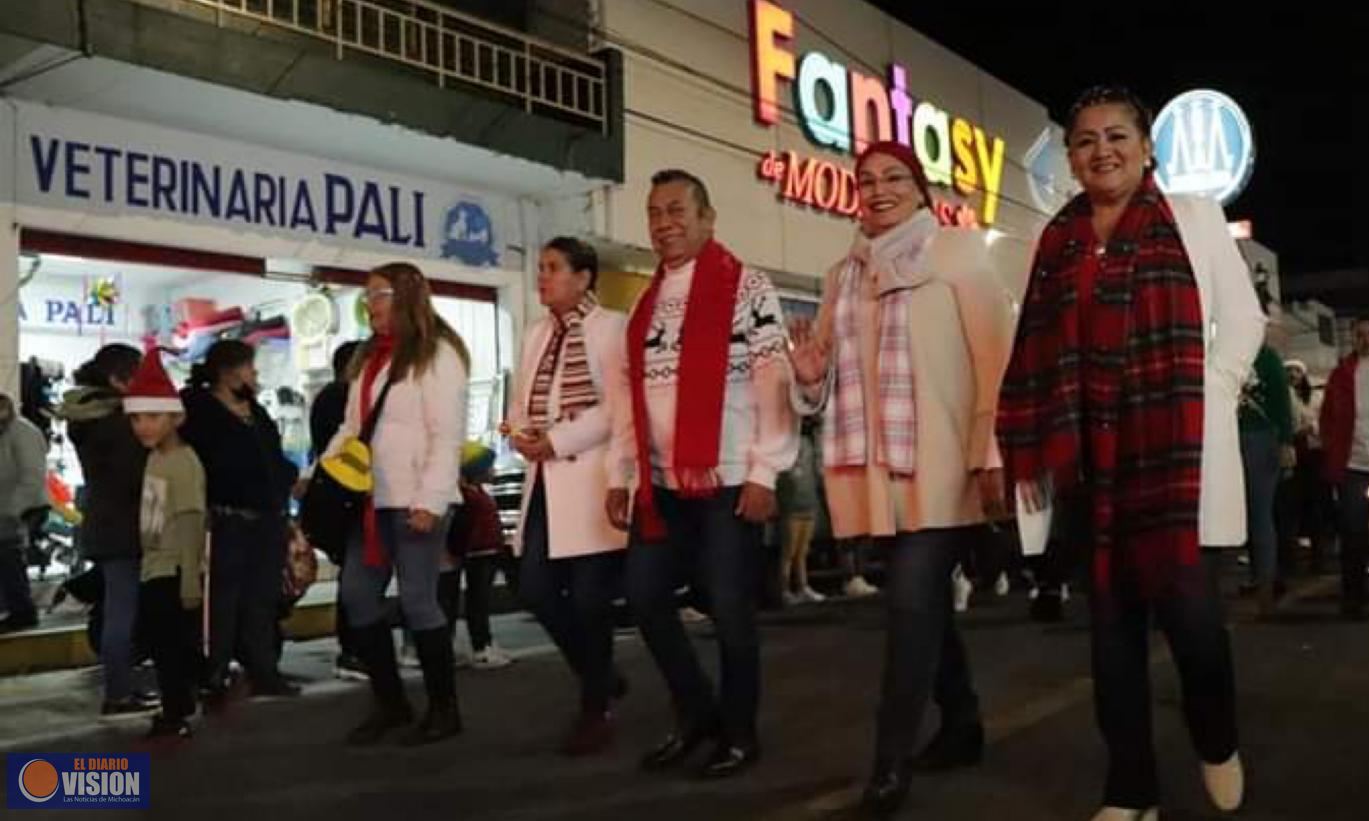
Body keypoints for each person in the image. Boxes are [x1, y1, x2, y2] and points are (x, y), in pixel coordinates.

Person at [996, 86, 1265, 820]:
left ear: (1147, 147)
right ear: (1070, 157)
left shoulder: (1192, 217)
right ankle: (1130, 788)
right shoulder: (1056, 240)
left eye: (1115, 135)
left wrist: (1211, 385)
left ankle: (1215, 739)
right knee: (1110, 637)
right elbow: (1035, 348)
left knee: (1193, 624)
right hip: (1090, 460)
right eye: (1083, 140)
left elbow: (1242, 318)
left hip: (1176, 457)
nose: (1100, 150)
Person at [788, 140, 1012, 815]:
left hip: (944, 463)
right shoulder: (841, 275)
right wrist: (806, 374)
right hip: (876, 473)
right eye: (865, 180)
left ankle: (889, 764)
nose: (877, 188)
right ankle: (964, 721)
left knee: (910, 602)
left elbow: (994, 361)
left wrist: (992, 453)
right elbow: (824, 366)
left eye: (893, 177)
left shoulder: (958, 253)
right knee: (925, 606)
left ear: (919, 188)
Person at [606, 169, 798, 779]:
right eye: (654, 213)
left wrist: (766, 470)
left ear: (708, 218)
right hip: (661, 486)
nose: (664, 223)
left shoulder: (747, 287)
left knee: (729, 607)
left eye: (677, 210)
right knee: (642, 597)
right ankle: (696, 713)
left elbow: (774, 382)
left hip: (729, 479)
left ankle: (739, 732)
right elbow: (627, 395)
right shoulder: (645, 300)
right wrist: (623, 473)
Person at [321, 262, 469, 746]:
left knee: (418, 601)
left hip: (415, 501)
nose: (370, 304)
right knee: (358, 596)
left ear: (407, 295)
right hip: (370, 500)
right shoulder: (369, 360)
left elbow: (446, 437)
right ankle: (392, 704)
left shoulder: (438, 355)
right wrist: (323, 472)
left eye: (379, 293)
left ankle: (444, 709)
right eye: (367, 296)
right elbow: (350, 428)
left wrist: (430, 499)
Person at [505, 236, 629, 756]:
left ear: (583, 277)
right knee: (533, 587)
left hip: (591, 478)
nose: (542, 277)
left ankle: (594, 708)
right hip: (544, 479)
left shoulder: (611, 327)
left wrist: (557, 440)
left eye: (553, 268)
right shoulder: (537, 333)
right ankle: (600, 676)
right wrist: (518, 430)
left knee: (589, 601)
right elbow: (523, 396)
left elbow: (616, 408)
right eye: (540, 267)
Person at [181, 340, 300, 701]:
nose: (255, 375)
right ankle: (213, 670)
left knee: (261, 598)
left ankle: (263, 669)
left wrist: (285, 483)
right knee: (222, 599)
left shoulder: (256, 413)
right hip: (226, 519)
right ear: (229, 371)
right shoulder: (199, 410)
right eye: (250, 367)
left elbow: (273, 457)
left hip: (267, 518)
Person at [57, 344, 159, 715]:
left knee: (118, 608)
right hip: (124, 527)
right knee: (122, 612)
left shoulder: (88, 417)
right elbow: (136, 477)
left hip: (104, 523)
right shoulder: (117, 423)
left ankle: (120, 688)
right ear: (119, 379)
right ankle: (118, 693)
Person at [124, 352, 206, 740]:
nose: (142, 426)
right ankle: (184, 700)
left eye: (153, 417)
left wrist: (190, 580)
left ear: (175, 417)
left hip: (173, 571)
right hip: (156, 567)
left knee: (169, 646)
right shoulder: (157, 458)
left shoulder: (183, 463)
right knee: (163, 643)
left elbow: (191, 522)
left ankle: (176, 714)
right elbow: (153, 523)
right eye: (136, 418)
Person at [309, 340, 366, 682]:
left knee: (356, 575)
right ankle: (353, 649)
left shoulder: (330, 398)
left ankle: (356, 648)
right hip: (346, 499)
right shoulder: (340, 399)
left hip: (342, 498)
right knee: (357, 576)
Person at [434, 442, 514, 672]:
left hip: (484, 552)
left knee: (476, 601)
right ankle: (481, 646)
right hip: (479, 553)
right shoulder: (469, 498)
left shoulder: (476, 494)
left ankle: (482, 644)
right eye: (489, 467)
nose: (494, 471)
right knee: (477, 602)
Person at [1237, 341, 1294, 617]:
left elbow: (1282, 402)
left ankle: (1266, 585)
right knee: (1250, 516)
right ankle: (1261, 577)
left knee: (1259, 514)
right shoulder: (1227, 351)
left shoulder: (1267, 358)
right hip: (1238, 438)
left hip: (1260, 438)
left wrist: (1285, 442)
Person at [1318, 316, 1369, 619]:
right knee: (1352, 532)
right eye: (1360, 334)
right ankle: (1353, 599)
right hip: (1352, 465)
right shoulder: (1342, 374)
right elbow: (1327, 417)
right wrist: (1330, 448)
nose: (1365, 340)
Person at [0, 394, 48, 634]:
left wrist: (12, 510)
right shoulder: (9, 431)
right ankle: (15, 608)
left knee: (9, 553)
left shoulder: (22, 432)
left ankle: (21, 611)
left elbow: (32, 477)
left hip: (23, 506)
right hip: (9, 505)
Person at [777, 418, 824, 606]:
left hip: (808, 502)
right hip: (791, 505)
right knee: (788, 551)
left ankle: (803, 586)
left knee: (802, 551)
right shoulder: (784, 446)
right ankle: (784, 590)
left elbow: (815, 471)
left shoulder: (811, 445)